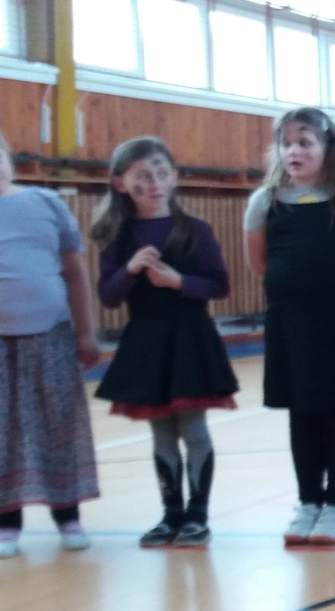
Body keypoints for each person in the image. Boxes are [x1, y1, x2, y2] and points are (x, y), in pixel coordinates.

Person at [91, 136, 238, 548]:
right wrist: (129, 270)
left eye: (160, 173)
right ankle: (171, 514)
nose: (153, 183)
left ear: (174, 177)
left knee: (193, 426)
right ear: (121, 184)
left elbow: (219, 285)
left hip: (190, 337)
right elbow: (108, 296)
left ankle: (197, 516)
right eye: (142, 176)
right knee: (161, 433)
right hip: (147, 340)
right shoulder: (117, 235)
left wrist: (178, 282)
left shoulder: (195, 229)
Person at [244, 107, 335, 547]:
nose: (294, 151)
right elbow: (260, 263)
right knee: (301, 413)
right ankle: (308, 501)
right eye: (287, 143)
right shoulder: (265, 201)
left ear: (326, 147)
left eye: (305, 142)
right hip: (289, 325)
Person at [0, 136, 100, 557]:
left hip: (51, 335)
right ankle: (7, 523)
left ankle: (68, 516)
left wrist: (86, 333)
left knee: (60, 425)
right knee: (3, 433)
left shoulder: (46, 203)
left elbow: (74, 271)